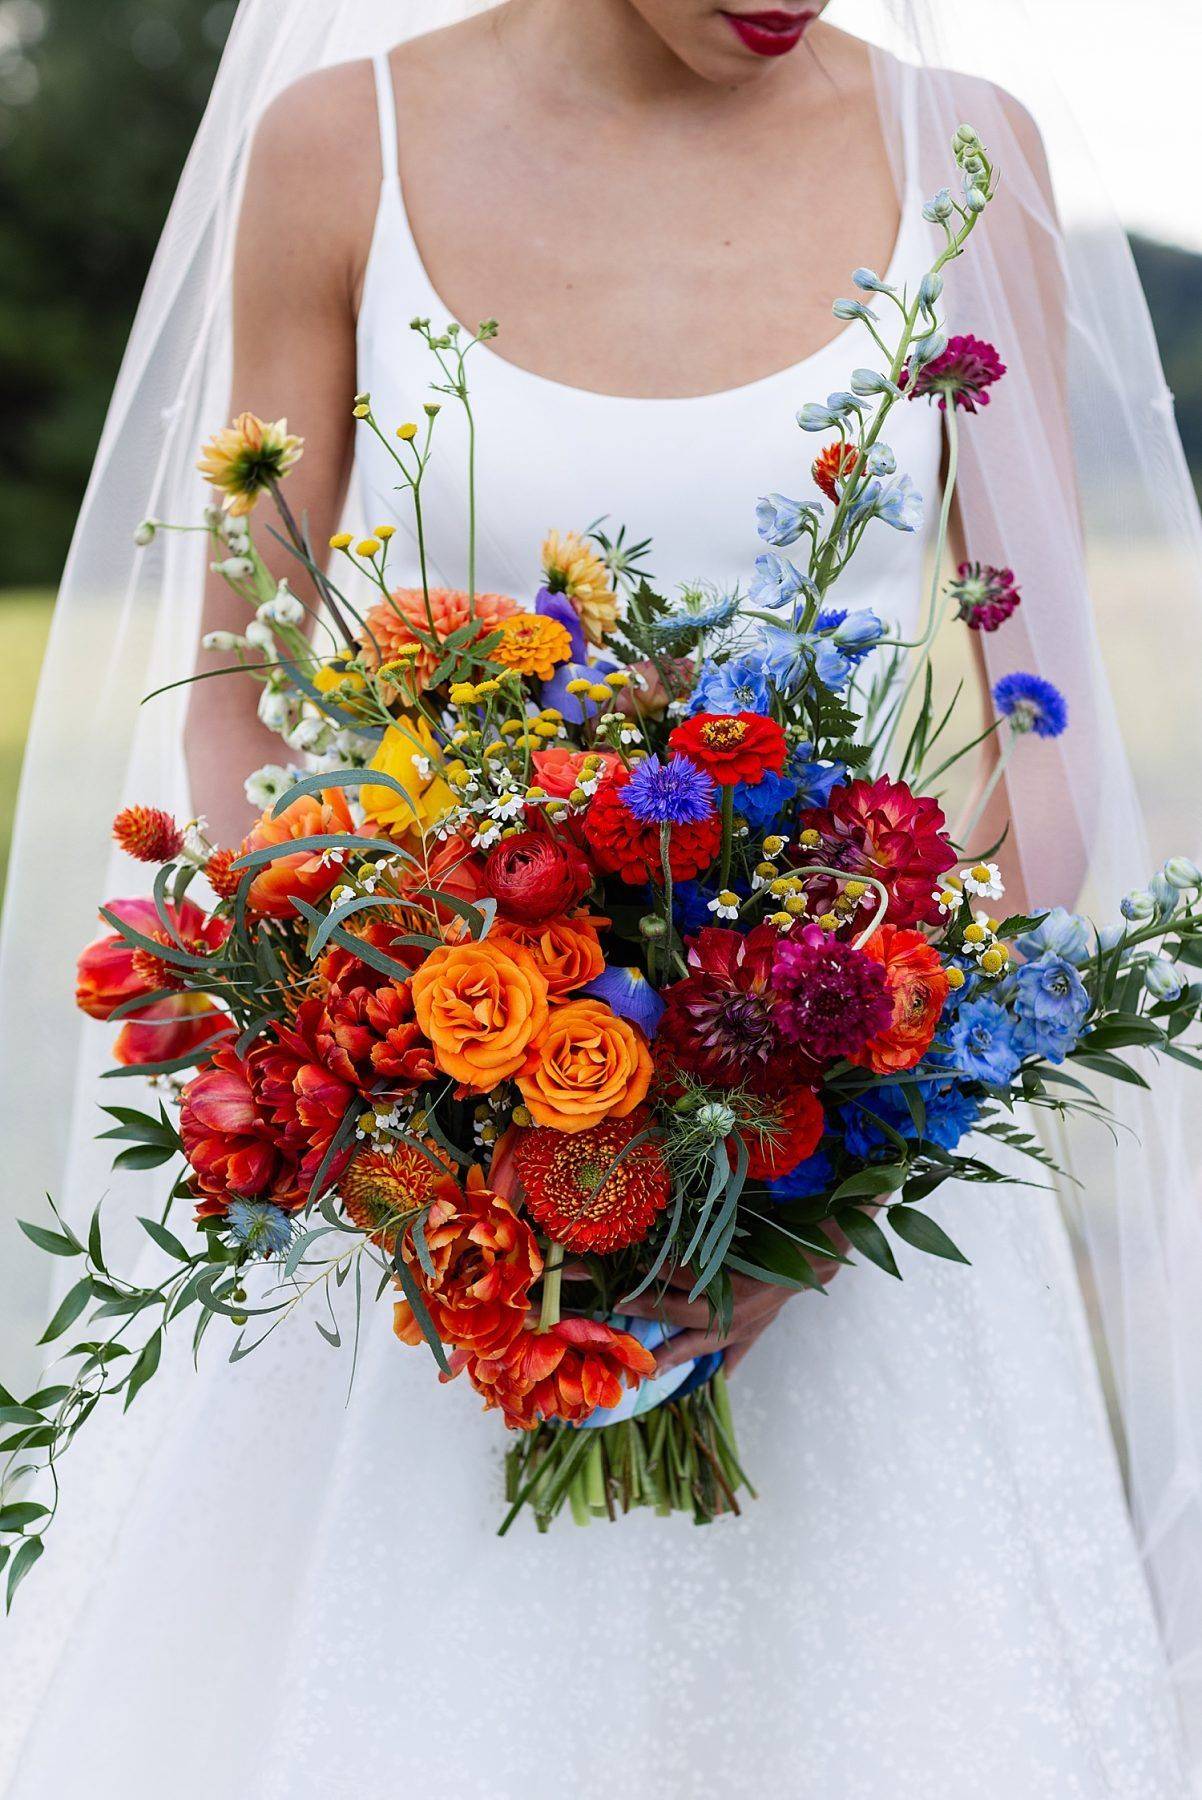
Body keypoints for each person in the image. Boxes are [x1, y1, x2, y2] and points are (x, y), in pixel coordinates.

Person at [1, 4, 1200, 1795]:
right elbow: (239, 706)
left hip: (852, 1190)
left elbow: (1044, 742)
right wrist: (417, 1085)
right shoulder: (346, 151)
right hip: (436, 1196)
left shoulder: (966, 155)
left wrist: (817, 1157)